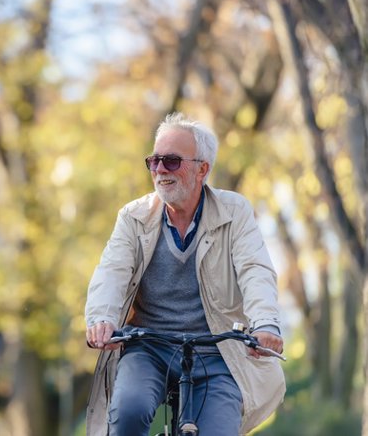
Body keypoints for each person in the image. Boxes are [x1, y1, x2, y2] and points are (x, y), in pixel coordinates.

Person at [84, 113, 285, 436]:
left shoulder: (235, 212)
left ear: (202, 169)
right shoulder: (133, 217)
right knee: (128, 413)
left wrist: (265, 324)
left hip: (217, 352)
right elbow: (112, 271)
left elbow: (255, 270)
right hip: (148, 346)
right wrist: (102, 318)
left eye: (172, 161)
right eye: (154, 161)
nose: (161, 169)